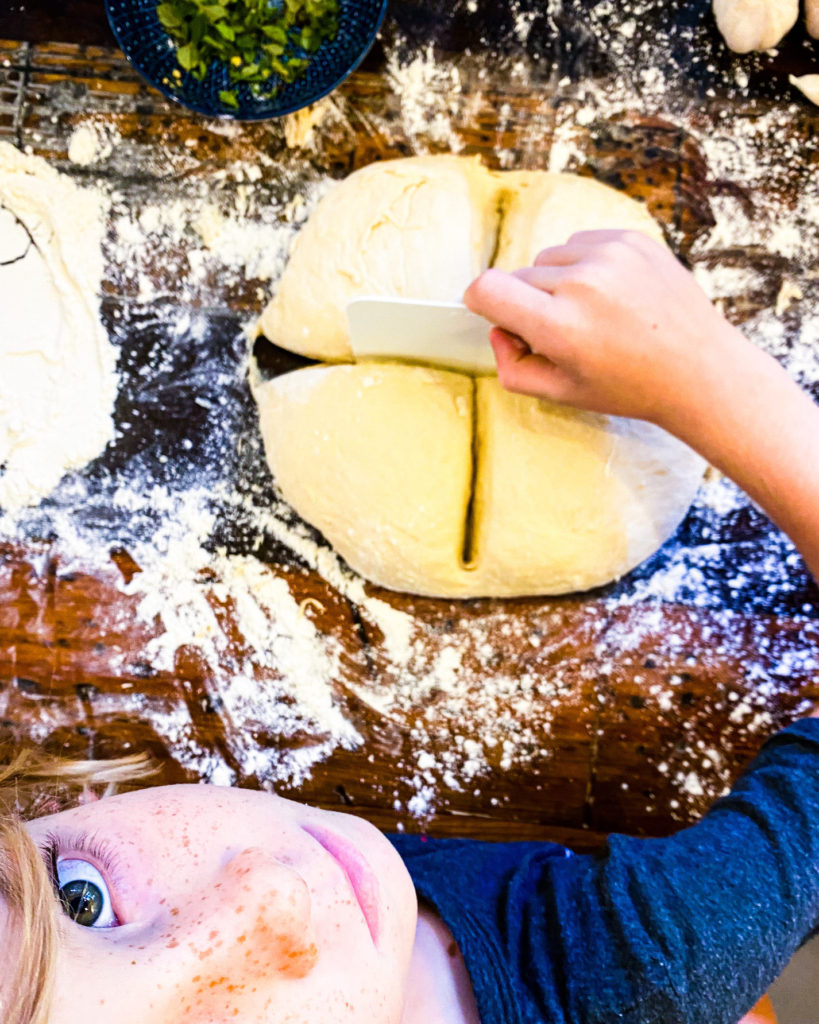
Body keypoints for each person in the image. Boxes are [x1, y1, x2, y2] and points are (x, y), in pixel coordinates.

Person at [2, 231, 816, 1024]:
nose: (269, 896)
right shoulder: (644, 967)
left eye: (82, 897)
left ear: (46, 806)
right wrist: (710, 380)